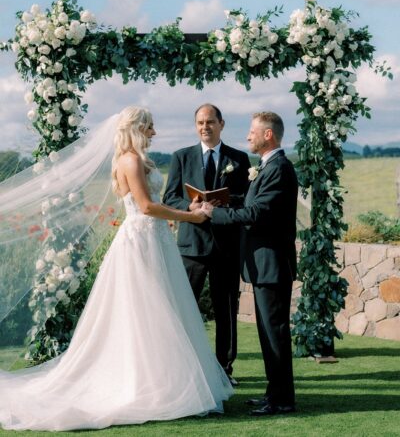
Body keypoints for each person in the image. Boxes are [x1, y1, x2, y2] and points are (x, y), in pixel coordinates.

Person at [0, 106, 233, 431]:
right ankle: (144, 384)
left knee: (162, 311)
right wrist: (191, 218)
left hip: (155, 240)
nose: (154, 133)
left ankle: (162, 380)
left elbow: (155, 200)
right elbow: (147, 207)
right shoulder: (130, 160)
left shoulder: (138, 159)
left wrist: (191, 206)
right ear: (136, 129)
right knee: (144, 312)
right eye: (149, 127)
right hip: (141, 240)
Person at [202, 111, 298, 416]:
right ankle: (274, 392)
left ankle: (282, 400)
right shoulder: (268, 167)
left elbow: (257, 213)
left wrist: (212, 214)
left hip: (271, 264)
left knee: (275, 333)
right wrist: (222, 201)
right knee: (269, 332)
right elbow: (250, 204)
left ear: (268, 135)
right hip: (264, 264)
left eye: (252, 132)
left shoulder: (279, 169)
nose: (248, 137)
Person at [163, 104, 250, 385]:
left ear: (221, 124)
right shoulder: (181, 157)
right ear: (195, 125)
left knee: (226, 312)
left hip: (226, 247)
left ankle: (224, 370)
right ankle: (183, 370)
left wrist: (222, 203)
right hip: (191, 247)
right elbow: (169, 198)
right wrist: (189, 205)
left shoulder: (239, 159)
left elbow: (246, 199)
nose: (205, 127)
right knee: (184, 309)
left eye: (210, 122)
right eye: (200, 122)